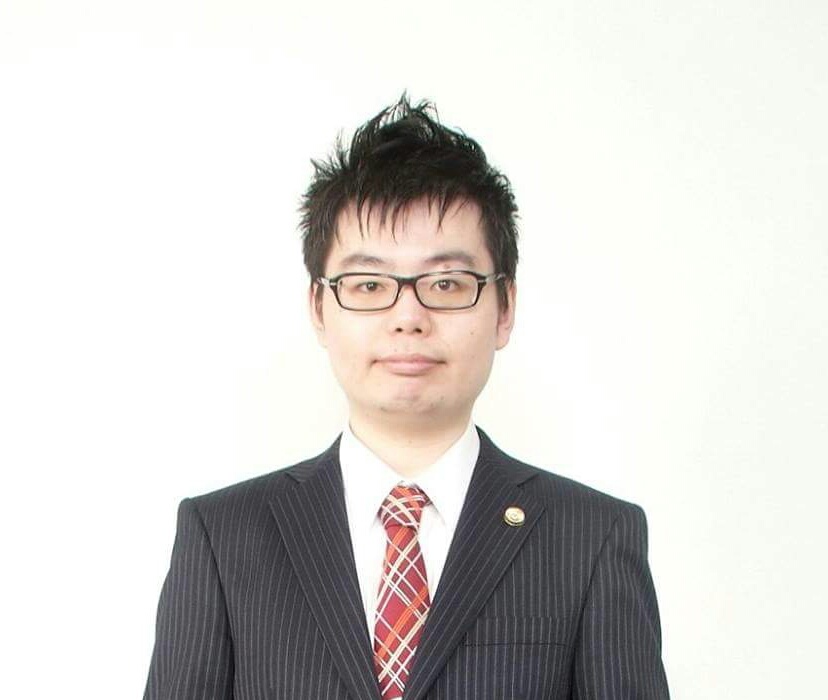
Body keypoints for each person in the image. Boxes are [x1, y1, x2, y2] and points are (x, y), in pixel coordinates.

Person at [143, 96, 670, 700]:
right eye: (369, 284)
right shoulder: (223, 536)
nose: (408, 316)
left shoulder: (592, 537)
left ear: (505, 309)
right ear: (319, 308)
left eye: (446, 283)